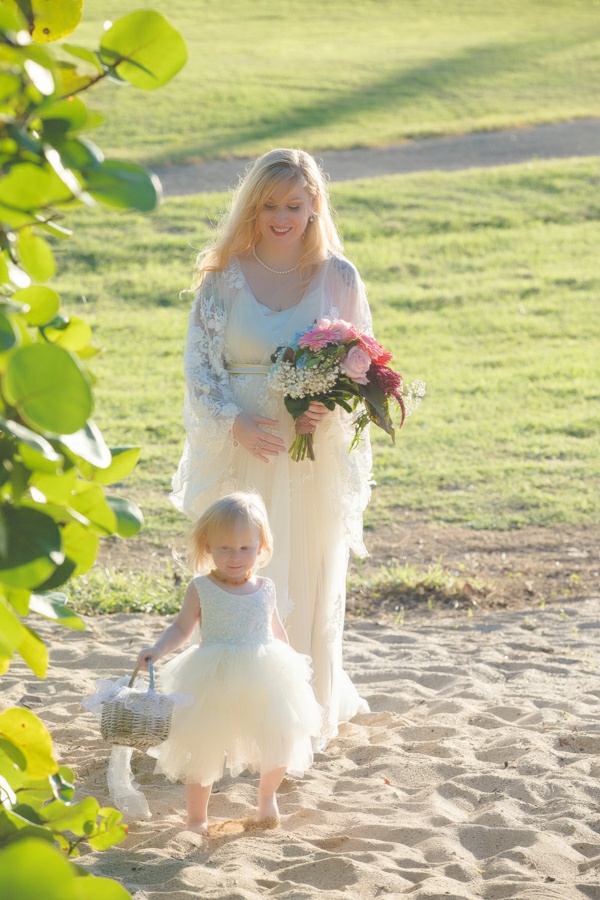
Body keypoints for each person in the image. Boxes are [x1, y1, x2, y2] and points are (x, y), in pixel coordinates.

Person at [171, 148, 373, 744]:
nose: (281, 217)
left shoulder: (339, 277)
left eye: (293, 204)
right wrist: (233, 421)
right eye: (269, 206)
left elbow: (362, 367)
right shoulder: (223, 277)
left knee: (305, 573)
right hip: (244, 452)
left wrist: (325, 410)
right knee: (243, 575)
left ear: (315, 205)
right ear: (252, 207)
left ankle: (302, 715)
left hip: (308, 453)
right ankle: (237, 718)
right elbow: (199, 370)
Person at [137, 492, 322, 833]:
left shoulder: (266, 588)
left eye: (244, 548)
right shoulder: (201, 588)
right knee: (204, 747)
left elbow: (276, 630)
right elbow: (182, 627)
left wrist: (293, 669)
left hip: (264, 673)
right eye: (225, 548)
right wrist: (158, 649)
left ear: (260, 546)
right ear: (208, 546)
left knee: (279, 739)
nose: (235, 557)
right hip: (214, 676)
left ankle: (267, 797)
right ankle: (197, 818)